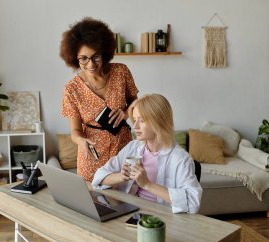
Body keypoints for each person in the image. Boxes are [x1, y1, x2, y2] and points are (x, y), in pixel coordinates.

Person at [92, 94, 202, 213]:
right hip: (131, 210)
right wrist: (121, 176)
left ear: (159, 122)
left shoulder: (181, 158)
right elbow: (98, 176)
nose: (135, 126)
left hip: (160, 219)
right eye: (134, 120)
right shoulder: (133, 147)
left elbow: (192, 202)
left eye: (142, 121)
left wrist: (147, 184)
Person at [60, 17, 139, 181]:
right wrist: (81, 141)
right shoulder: (71, 89)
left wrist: (125, 113)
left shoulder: (121, 72)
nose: (91, 64)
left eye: (96, 57)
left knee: (125, 198)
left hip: (122, 148)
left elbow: (135, 102)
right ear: (75, 58)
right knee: (91, 201)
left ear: (105, 53)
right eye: (83, 58)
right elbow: (75, 131)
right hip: (92, 154)